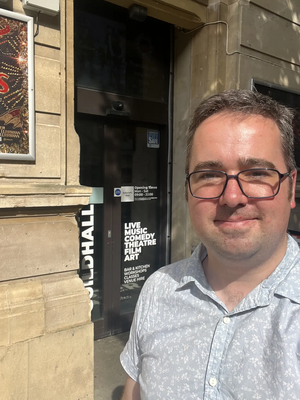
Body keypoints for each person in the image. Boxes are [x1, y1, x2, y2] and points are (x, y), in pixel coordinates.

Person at [120, 89, 300, 399]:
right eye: (209, 175)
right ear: (188, 191)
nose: (232, 197)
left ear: (291, 188)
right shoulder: (158, 290)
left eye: (257, 173)